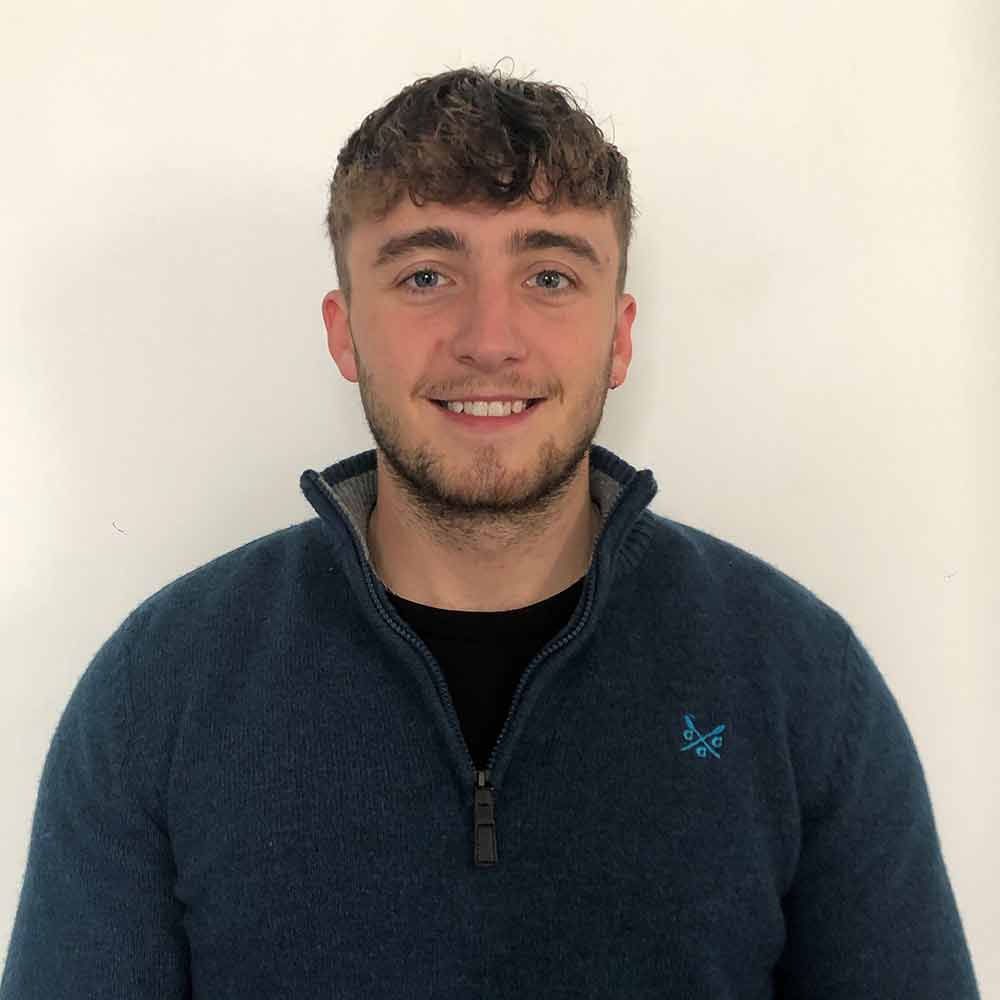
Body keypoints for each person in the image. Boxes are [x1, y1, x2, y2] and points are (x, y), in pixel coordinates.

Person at [0, 65, 980, 998]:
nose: (489, 337)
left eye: (550, 275)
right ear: (343, 332)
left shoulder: (798, 681)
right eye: (426, 275)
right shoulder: (160, 693)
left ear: (620, 333)